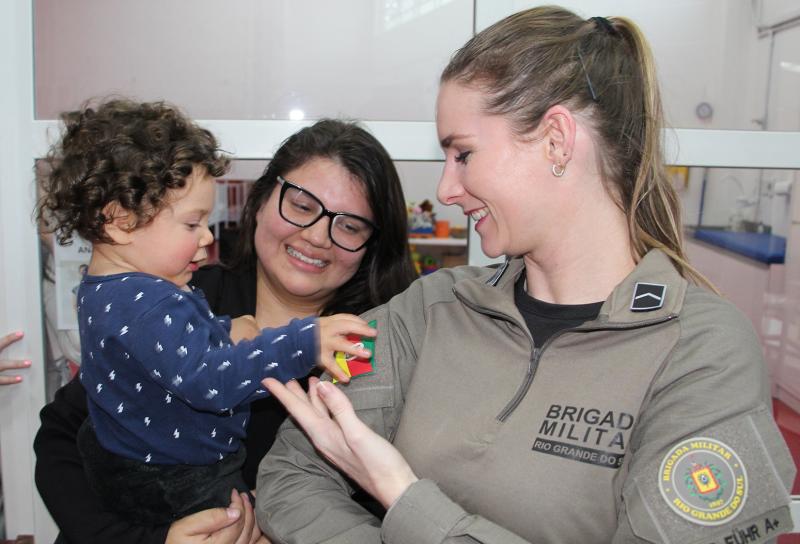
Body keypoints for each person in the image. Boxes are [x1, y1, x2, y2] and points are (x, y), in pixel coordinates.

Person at [256, 7, 797, 544]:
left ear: (557, 140)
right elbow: (290, 475)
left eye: (463, 154)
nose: (446, 189)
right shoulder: (430, 310)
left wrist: (405, 496)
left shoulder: (702, 351)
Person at [33, 113, 415, 541]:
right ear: (262, 199)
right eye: (303, 206)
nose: (318, 236)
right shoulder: (179, 299)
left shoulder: (366, 343)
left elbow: (382, 491)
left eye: (349, 226)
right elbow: (65, 434)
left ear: (372, 245)